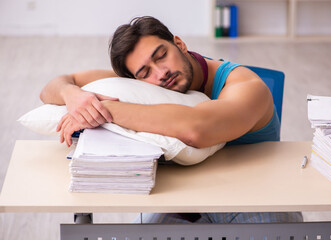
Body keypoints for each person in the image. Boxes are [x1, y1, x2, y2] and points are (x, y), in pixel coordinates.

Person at [40, 16, 302, 223]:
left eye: (161, 55)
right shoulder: (147, 83)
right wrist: (73, 96)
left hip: (256, 202)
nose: (160, 73)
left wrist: (102, 110)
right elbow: (54, 86)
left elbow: (197, 129)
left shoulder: (246, 85)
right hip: (189, 204)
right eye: (145, 72)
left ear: (180, 43)